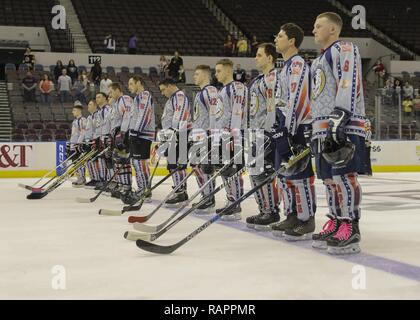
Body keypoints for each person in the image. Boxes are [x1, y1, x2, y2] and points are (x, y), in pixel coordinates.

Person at [310, 12, 366, 255]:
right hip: (322, 129)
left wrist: (340, 114)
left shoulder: (344, 48)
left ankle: (350, 225)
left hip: (342, 123)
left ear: (332, 29)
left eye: (318, 26)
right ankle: (335, 219)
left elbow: (348, 80)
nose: (314, 30)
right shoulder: (318, 59)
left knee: (344, 176)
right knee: (330, 179)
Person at [271, 24, 316, 240]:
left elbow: (297, 100)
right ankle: (291, 214)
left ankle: (306, 219)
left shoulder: (297, 64)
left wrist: (287, 131)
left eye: (280, 36)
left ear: (291, 41)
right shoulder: (286, 66)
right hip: (286, 126)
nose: (275, 39)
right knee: (284, 174)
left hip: (297, 127)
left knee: (300, 174)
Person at [246, 43, 281, 231]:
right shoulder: (259, 79)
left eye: (259, 55)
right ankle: (264, 209)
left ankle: (271, 211)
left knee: (263, 172)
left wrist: (270, 130)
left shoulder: (273, 78)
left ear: (270, 58)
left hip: (266, 132)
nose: (256, 58)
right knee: (254, 171)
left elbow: (273, 106)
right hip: (256, 131)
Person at [213, 58, 248, 221]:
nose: (216, 74)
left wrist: (232, 136)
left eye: (219, 71)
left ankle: (235, 204)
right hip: (224, 135)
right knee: (226, 171)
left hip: (233, 136)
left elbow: (237, 113)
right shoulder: (223, 90)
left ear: (228, 70)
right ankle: (231, 200)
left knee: (232, 170)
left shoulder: (236, 87)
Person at [190, 65, 219, 213]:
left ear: (205, 75)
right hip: (199, 136)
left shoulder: (210, 91)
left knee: (206, 168)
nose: (194, 76)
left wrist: (212, 136)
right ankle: (205, 195)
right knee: (197, 166)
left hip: (206, 136)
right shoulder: (201, 92)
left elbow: (214, 114)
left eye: (197, 74)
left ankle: (209, 198)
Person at [158, 78, 192, 207]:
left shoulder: (179, 96)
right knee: (173, 164)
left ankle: (181, 192)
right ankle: (179, 190)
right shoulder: (172, 98)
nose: (162, 93)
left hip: (179, 134)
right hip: (174, 134)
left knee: (178, 164)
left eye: (163, 89)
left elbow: (180, 116)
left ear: (170, 85)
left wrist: (173, 133)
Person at [126, 75, 156, 204]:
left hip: (143, 135)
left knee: (140, 163)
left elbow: (145, 115)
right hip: (137, 134)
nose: (129, 87)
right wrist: (130, 132)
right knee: (136, 163)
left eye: (131, 84)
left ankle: (145, 191)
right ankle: (141, 189)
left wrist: (135, 131)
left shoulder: (145, 95)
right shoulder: (137, 98)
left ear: (139, 83)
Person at [108, 82, 135, 200]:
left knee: (123, 161)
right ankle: (122, 185)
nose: (110, 94)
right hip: (118, 134)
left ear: (118, 89)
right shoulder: (116, 103)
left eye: (111, 92)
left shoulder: (125, 99)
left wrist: (123, 133)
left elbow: (128, 115)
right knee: (118, 161)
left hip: (123, 134)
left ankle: (127, 187)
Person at [70, 101, 87, 187]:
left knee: (79, 162)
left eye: (74, 110)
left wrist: (78, 143)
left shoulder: (82, 120)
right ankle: (79, 177)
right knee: (75, 162)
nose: (73, 112)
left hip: (77, 145)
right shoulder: (75, 121)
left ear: (79, 111)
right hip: (73, 145)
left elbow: (83, 133)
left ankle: (82, 179)